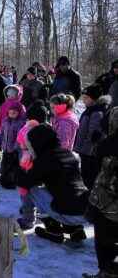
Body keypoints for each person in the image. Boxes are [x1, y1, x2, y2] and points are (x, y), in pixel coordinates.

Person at [17, 124, 89, 245]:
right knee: (64, 191)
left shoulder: (45, 159)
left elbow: (24, 181)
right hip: (85, 210)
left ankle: (53, 228)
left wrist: (21, 167)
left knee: (32, 189)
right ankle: (75, 229)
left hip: (68, 213)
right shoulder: (68, 154)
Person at [83, 110, 118, 278]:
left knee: (104, 241)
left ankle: (105, 271)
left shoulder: (107, 145)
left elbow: (95, 175)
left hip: (107, 203)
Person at [16, 100, 50, 230]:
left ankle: (28, 219)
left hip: (27, 165)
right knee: (40, 192)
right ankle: (43, 217)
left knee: (26, 192)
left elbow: (19, 143)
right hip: (43, 167)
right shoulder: (48, 128)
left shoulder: (27, 130)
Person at [74, 84, 110, 189]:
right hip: (85, 151)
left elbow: (93, 134)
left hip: (90, 153)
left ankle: (87, 199)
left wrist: (86, 146)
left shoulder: (97, 112)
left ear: (94, 98)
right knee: (85, 176)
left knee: (88, 178)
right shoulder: (91, 109)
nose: (84, 100)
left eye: (86, 98)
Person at [0, 101, 26, 189]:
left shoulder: (20, 123)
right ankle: (3, 178)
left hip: (14, 150)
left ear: (19, 113)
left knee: (13, 166)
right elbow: (1, 133)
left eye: (14, 113)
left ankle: (11, 182)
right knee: (4, 164)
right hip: (5, 148)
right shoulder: (5, 121)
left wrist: (15, 148)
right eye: (10, 112)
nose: (12, 114)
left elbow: (19, 137)